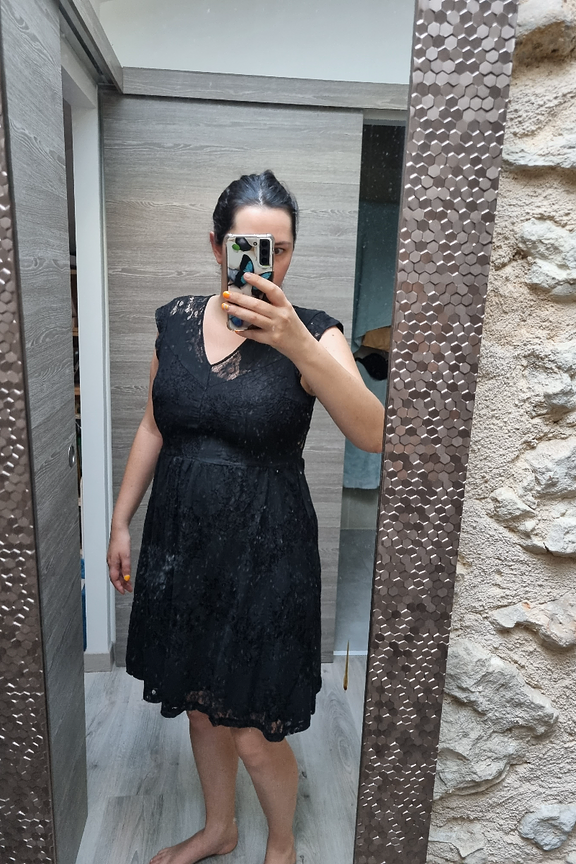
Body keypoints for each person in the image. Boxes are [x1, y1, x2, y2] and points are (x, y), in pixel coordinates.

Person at [107, 170, 385, 864]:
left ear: (292, 252)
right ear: (217, 245)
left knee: (255, 731)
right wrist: (119, 520)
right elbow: (152, 425)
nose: (266, 263)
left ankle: (282, 846)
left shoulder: (316, 332)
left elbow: (374, 431)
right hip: (182, 544)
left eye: (279, 250)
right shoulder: (175, 322)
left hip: (268, 553)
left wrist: (294, 343)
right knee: (203, 706)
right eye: (248, 247)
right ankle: (219, 829)